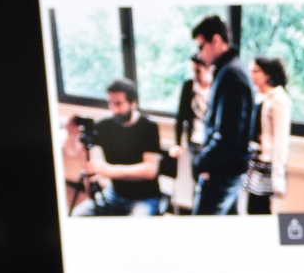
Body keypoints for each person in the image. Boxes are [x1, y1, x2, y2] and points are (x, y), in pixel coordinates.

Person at [188, 14, 255, 215]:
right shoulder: (232, 68)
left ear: (216, 40)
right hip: (229, 168)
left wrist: (201, 163)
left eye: (201, 46)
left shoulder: (231, 74)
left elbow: (227, 135)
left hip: (222, 171)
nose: (199, 54)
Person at [70, 79, 165, 216]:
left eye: (119, 104)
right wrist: (71, 135)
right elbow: (73, 151)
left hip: (144, 198)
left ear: (133, 103)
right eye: (111, 103)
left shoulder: (148, 127)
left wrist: (108, 170)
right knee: (77, 215)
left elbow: (150, 171)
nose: (114, 109)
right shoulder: (104, 125)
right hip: (114, 193)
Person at [244, 57, 293, 216]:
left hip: (266, 162)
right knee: (252, 208)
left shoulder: (278, 99)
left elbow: (281, 140)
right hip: (254, 159)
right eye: (251, 70)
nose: (251, 75)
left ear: (267, 75)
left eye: (256, 71)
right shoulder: (258, 96)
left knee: (259, 209)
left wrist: (278, 177)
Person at [169, 55, 213, 213]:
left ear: (209, 69)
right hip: (195, 142)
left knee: (212, 184)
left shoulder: (216, 86)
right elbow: (181, 117)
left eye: (198, 71)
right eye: (193, 70)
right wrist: (177, 143)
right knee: (197, 183)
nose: (195, 74)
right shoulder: (189, 86)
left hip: (212, 143)